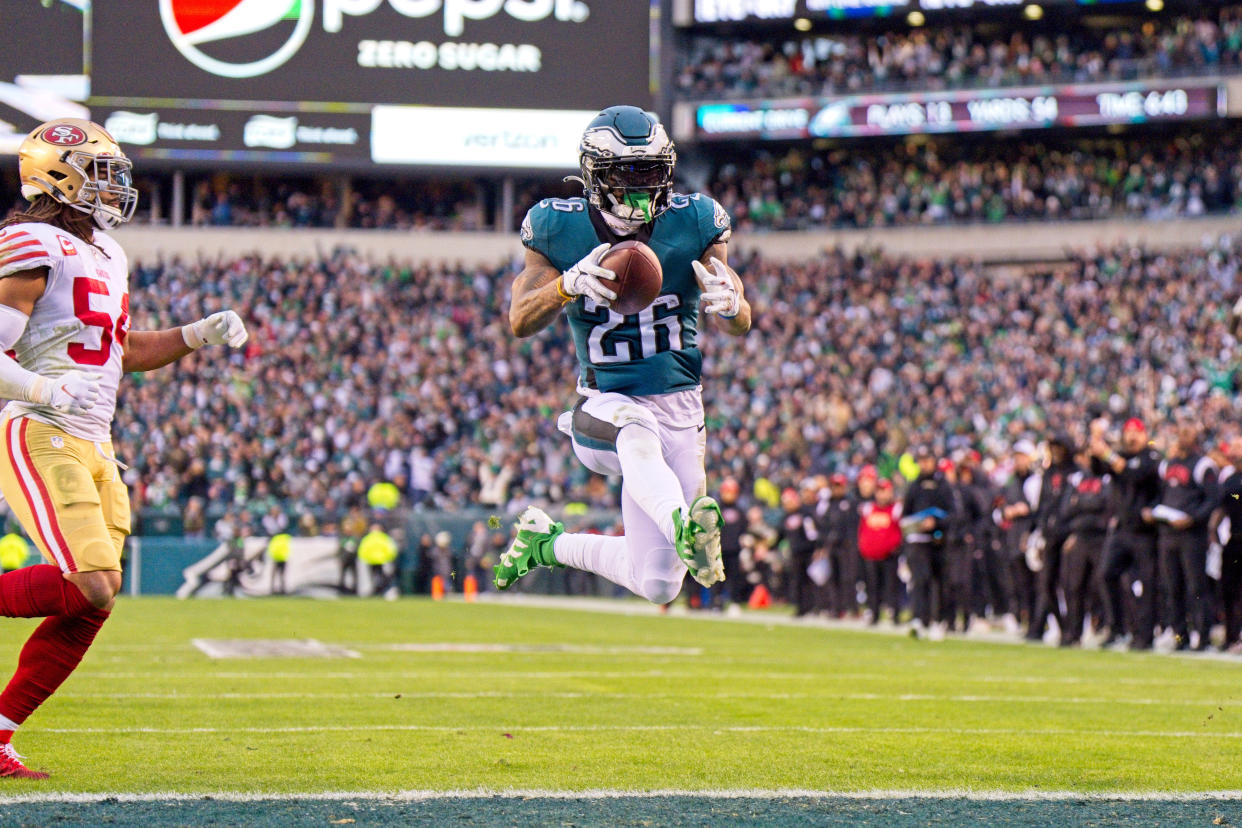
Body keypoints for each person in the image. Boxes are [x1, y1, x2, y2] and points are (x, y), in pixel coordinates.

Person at [0, 118, 247, 778]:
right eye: (101, 173)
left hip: (94, 440)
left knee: (94, 600)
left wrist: (197, 333)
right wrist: (44, 389)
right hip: (38, 427)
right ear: (59, 173)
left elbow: (123, 350)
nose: (114, 188)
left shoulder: (108, 253)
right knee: (92, 579)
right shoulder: (29, 240)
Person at [493, 106, 751, 603]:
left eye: (651, 173)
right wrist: (566, 285)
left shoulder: (695, 220)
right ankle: (681, 523)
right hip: (603, 408)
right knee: (637, 432)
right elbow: (520, 319)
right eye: (626, 176)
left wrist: (734, 302)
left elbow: (740, 313)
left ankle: (546, 545)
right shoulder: (556, 226)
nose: (641, 189)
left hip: (681, 408)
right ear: (594, 175)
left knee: (658, 582)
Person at [1147, 417, 1218, 650]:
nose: (1183, 436)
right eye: (1181, 432)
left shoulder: (1203, 465)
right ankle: (1180, 636)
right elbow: (1159, 495)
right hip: (1168, 533)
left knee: (1196, 586)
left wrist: (1193, 518)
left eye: (1189, 432)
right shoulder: (1168, 465)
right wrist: (1153, 511)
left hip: (1191, 534)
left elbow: (1212, 499)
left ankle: (1203, 635)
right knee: (1172, 586)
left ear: (1196, 436)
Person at [1091, 417, 1162, 650]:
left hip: (1144, 531)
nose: (1131, 436)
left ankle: (1145, 634)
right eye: (1128, 431)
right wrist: (1097, 442)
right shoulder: (1121, 455)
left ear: (1144, 435)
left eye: (1136, 432)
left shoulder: (1150, 457)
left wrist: (1107, 453)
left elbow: (1133, 473)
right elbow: (1097, 468)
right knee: (1106, 574)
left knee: (1147, 583)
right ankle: (1117, 627)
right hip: (1121, 528)